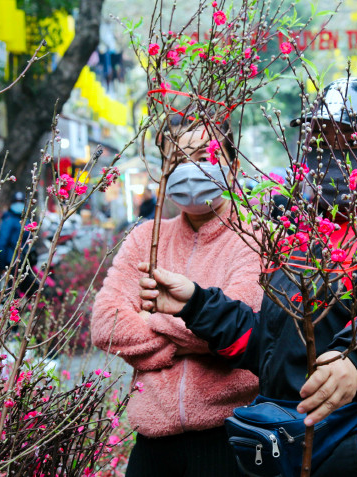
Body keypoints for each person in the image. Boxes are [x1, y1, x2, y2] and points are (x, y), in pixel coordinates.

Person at [138, 78, 357, 476]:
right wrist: (197, 305)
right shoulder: (296, 235)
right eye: (321, 138)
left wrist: (355, 363)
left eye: (352, 142)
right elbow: (270, 346)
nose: (334, 154)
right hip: (291, 451)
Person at [91, 113, 264, 477]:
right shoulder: (144, 239)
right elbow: (105, 322)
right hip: (153, 444)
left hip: (231, 437)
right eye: (177, 160)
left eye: (204, 156)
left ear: (232, 166)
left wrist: (147, 321)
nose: (191, 169)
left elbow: (241, 322)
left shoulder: (254, 238)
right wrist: (190, 338)